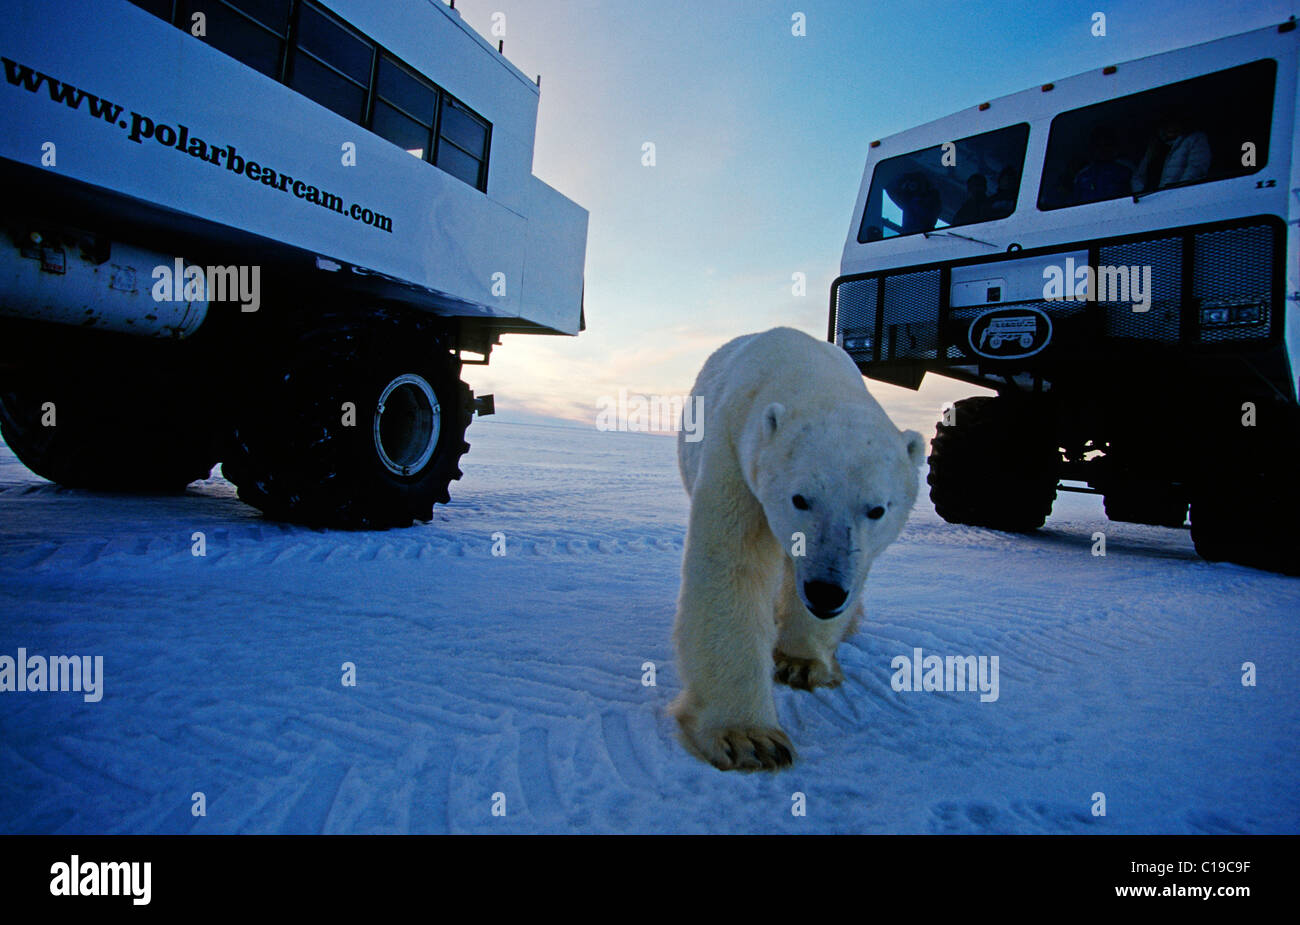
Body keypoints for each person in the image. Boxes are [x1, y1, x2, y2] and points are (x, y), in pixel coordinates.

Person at [1132, 109, 1211, 193]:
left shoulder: (1195, 139)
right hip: (1149, 200)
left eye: (1173, 121)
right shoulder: (1155, 146)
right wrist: (1141, 193)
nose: (1170, 126)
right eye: (1166, 123)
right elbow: (1138, 177)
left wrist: (1175, 193)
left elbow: (1196, 171)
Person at [1072, 126, 1135, 204]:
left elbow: (1138, 192)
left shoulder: (1126, 168)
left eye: (1106, 145)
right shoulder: (1082, 175)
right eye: (1098, 146)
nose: (1102, 150)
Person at [886, 171, 942, 235]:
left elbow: (928, 215)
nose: (913, 186)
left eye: (917, 183)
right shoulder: (908, 200)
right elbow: (890, 188)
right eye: (911, 184)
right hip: (909, 236)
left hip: (926, 235)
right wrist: (906, 181)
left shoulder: (932, 197)